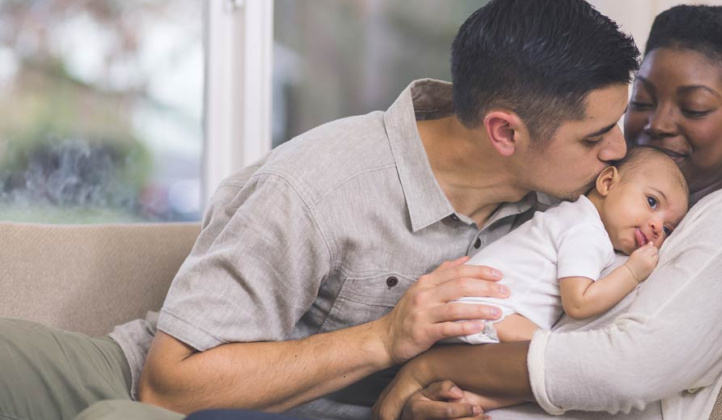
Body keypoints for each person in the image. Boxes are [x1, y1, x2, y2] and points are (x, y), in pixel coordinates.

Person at [0, 1, 641, 419]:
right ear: (504, 132)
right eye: (596, 137)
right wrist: (385, 337)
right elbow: (168, 385)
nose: (618, 151)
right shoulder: (317, 188)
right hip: (161, 381)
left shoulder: (568, 207)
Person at [373, 4, 722, 420]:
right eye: (641, 101)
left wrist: (434, 367)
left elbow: (626, 367)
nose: (658, 124)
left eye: (694, 107)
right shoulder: (573, 192)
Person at [450, 147, 688, 345]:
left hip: (469, 310)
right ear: (607, 182)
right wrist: (632, 272)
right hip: (488, 313)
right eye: (652, 202)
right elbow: (579, 302)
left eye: (668, 229)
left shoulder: (572, 216)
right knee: (553, 354)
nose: (657, 226)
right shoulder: (586, 230)